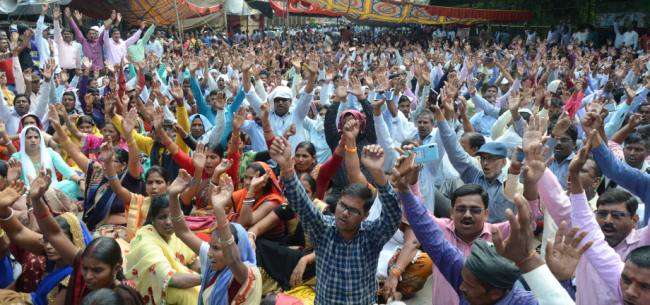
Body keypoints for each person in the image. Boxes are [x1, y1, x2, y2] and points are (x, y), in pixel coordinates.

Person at [270, 137, 402, 305]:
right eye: (342, 205)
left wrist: (378, 173)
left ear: (365, 216)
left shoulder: (371, 236)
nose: (345, 213)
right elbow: (301, 203)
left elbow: (393, 216)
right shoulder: (323, 228)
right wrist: (287, 168)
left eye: (353, 210)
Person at [167, 169, 262, 305]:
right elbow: (182, 232)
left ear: (237, 249)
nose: (210, 253)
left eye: (217, 248)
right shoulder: (214, 261)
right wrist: (172, 196)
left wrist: (219, 209)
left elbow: (233, 260)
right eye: (211, 246)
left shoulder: (247, 273)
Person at [125, 195, 200, 305]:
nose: (169, 222)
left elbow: (193, 261)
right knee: (186, 294)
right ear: (153, 219)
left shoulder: (176, 235)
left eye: (172, 216)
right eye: (162, 217)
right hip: (150, 293)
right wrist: (207, 278)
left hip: (172, 284)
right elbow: (170, 279)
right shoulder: (145, 241)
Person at [11, 125, 84, 201]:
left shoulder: (50, 152)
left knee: (73, 184)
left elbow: (66, 170)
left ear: (40, 139)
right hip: (30, 193)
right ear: (23, 139)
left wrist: (80, 181)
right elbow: (13, 181)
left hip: (53, 188)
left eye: (36, 137)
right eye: (29, 137)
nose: (33, 140)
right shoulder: (16, 157)